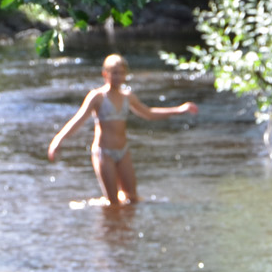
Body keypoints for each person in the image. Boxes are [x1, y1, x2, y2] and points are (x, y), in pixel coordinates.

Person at [46, 54, 199, 207]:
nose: (118, 77)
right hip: (104, 153)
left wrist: (179, 110)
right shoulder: (97, 97)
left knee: (132, 199)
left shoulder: (128, 96)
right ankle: (104, 215)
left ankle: (118, 219)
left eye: (121, 73)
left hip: (123, 151)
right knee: (113, 203)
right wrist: (58, 140)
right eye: (114, 73)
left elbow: (149, 113)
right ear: (105, 74)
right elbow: (78, 119)